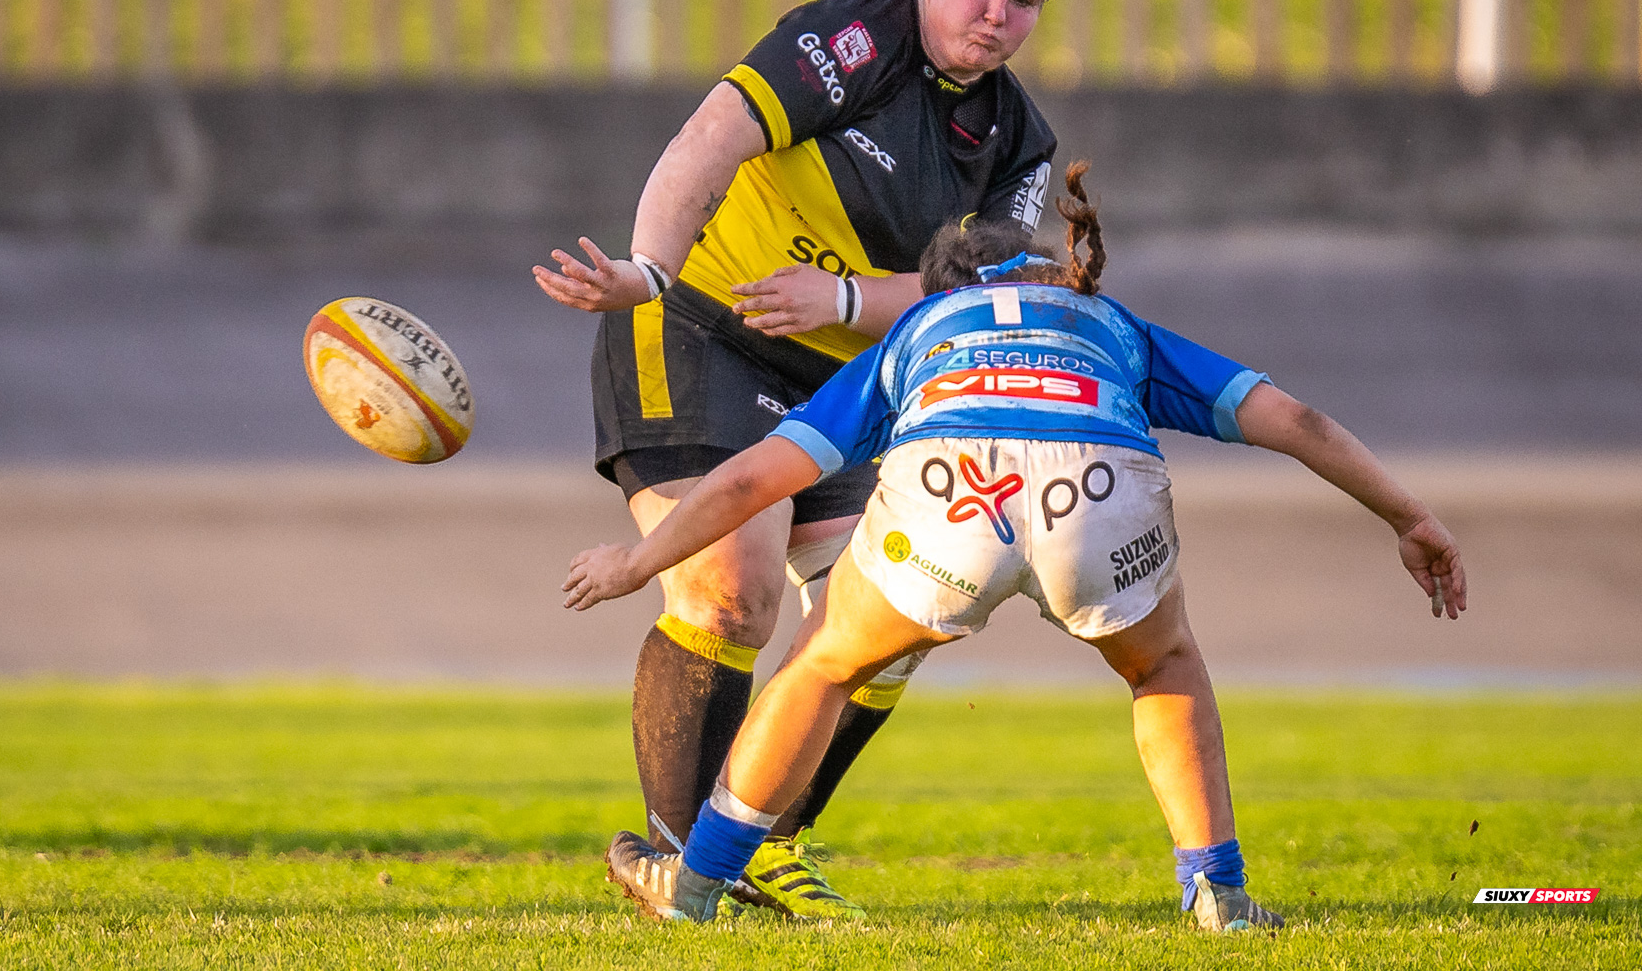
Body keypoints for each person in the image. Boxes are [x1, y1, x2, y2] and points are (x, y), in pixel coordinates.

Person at [561, 164, 1468, 930]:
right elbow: (1296, 421)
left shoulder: (919, 330)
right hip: (1098, 495)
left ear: (942, 287)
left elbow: (752, 480)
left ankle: (696, 884)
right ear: (1056, 272)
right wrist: (1409, 517)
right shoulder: (1111, 324)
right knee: (1163, 667)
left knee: (824, 666)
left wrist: (636, 562)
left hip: (953, 493)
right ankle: (1217, 893)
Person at [533, 0, 1080, 917]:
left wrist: (844, 300)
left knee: (899, 614)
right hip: (696, 325)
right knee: (733, 587)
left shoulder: (1018, 140)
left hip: (837, 383)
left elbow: (982, 295)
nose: (996, 13)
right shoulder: (851, 42)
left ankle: (764, 841)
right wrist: (648, 269)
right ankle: (681, 861)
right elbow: (709, 139)